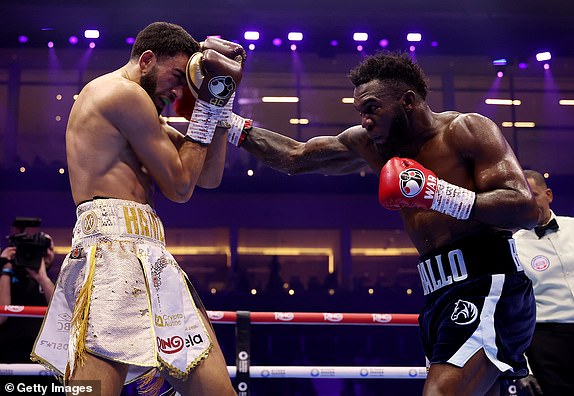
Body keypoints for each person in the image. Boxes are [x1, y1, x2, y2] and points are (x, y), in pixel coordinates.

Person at [226, 51, 539, 395]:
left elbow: (524, 208)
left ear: (408, 101)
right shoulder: (370, 145)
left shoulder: (466, 130)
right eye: (360, 112)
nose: (365, 121)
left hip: (488, 284)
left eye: (372, 108)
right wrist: (225, 122)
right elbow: (295, 157)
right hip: (438, 293)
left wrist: (439, 194)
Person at [31, 22, 244, 396]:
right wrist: (207, 108)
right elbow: (179, 187)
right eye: (177, 76)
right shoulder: (119, 93)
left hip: (151, 257)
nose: (179, 90)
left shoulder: (147, 116)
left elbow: (206, 176)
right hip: (111, 252)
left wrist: (220, 99)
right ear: (146, 60)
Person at [512, 170, 574, 396]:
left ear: (548, 195)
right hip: (546, 340)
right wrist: (523, 366)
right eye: (522, 199)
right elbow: (512, 311)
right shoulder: (514, 246)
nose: (529, 204)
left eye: (534, 195)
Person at [0, 234, 56, 362]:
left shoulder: (55, 282)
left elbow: (60, 314)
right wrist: (5, 269)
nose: (47, 253)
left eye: (49, 248)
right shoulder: (6, 277)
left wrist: (41, 278)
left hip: (41, 357)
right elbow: (1, 316)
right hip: (6, 353)